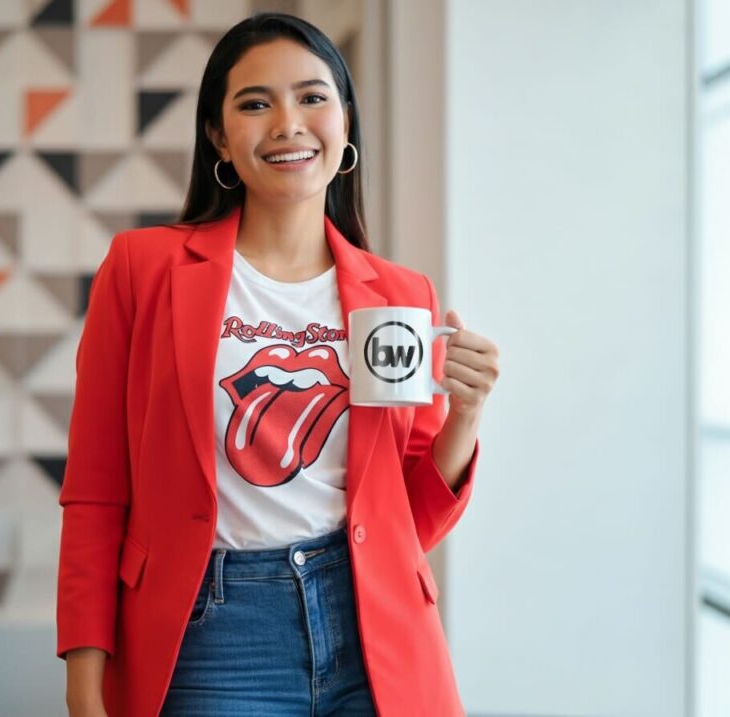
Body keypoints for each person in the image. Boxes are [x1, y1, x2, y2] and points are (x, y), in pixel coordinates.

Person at [56, 11, 500, 717]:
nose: (288, 123)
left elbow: (408, 521)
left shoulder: (400, 295)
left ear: (345, 123)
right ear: (218, 136)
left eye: (312, 97)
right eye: (255, 104)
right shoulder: (144, 271)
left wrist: (465, 416)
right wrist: (84, 684)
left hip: (375, 630)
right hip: (216, 635)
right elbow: (95, 491)